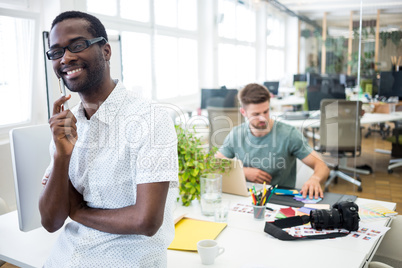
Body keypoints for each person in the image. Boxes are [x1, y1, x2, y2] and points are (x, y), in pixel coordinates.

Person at [39, 11, 178, 267]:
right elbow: (51, 221)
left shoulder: (150, 119)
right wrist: (62, 156)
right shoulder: (66, 126)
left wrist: (78, 210)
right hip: (62, 259)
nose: (66, 57)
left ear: (105, 51)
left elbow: (145, 221)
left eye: (77, 45)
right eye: (56, 52)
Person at [215, 83, 329, 199]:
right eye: (256, 114)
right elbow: (215, 164)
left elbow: (322, 166)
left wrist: (315, 179)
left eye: (266, 111)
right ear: (243, 112)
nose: (263, 118)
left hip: (280, 199)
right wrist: (244, 171)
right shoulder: (236, 134)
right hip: (247, 198)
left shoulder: (289, 134)